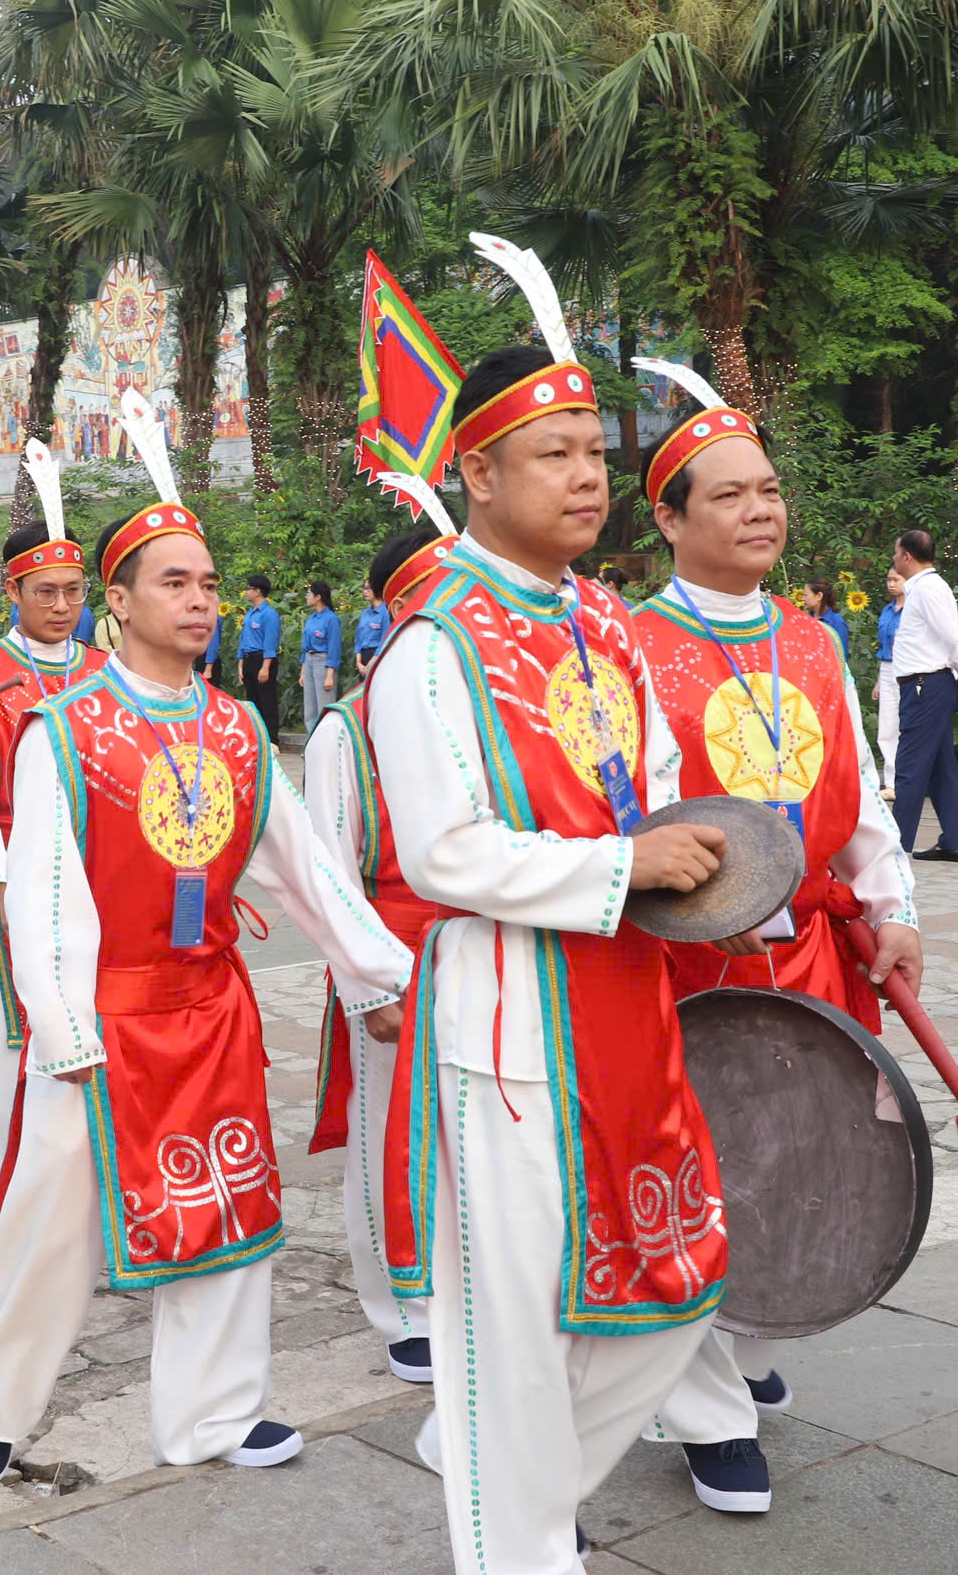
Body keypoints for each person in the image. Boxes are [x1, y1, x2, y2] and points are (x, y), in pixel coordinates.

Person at [0, 398, 413, 1486]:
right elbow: (46, 891)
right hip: (101, 1016)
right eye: (175, 580)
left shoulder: (237, 726)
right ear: (117, 601)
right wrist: (61, 1025)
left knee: (226, 1203)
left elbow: (306, 866)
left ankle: (213, 1410)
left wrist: (380, 972)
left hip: (209, 1006)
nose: (200, 598)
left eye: (209, 581)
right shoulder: (65, 731)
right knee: (55, 1227)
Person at [362, 306, 735, 1571]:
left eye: (595, 449)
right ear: (477, 470)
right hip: (513, 1026)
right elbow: (441, 850)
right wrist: (623, 865)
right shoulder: (432, 642)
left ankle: (498, 1477)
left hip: (628, 1003)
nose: (588, 476)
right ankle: (516, 1538)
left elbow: (664, 776)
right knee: (513, 1333)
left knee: (674, 1286)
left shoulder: (606, 621)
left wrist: (717, 862)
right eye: (555, 452)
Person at [624, 359, 920, 1513]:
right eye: (730, 494)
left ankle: (737, 1336)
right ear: (669, 517)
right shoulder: (631, 641)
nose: (760, 510)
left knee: (798, 1151)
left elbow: (865, 797)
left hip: (809, 953)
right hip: (690, 961)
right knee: (697, 1162)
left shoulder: (813, 639)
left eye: (770, 489)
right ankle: (703, 1406)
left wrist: (893, 909)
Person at [303, 508, 459, 1392]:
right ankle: (400, 1307)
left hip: (487, 954)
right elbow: (329, 879)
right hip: (394, 964)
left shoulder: (489, 717)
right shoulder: (346, 731)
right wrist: (369, 988)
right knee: (389, 1141)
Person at [0, 452, 109, 1224]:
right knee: (21, 1046)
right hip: (15, 883)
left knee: (102, 1027)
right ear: (13, 591)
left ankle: (97, 1195)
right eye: (46, 592)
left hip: (106, 877)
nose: (62, 605)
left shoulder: (109, 671)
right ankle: (12, 1209)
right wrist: (0, 885)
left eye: (74, 591)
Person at [889, 529, 958, 861]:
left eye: (897, 554)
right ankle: (952, 840)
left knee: (910, 766)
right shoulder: (924, 589)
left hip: (924, 686)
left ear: (908, 557)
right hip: (930, 684)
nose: (895, 560)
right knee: (941, 768)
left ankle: (894, 846)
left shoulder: (928, 589)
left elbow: (951, 636)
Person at [235, 574, 281, 738]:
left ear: (258, 592)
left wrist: (265, 667)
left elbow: (270, 642)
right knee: (252, 701)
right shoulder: (249, 613)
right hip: (248, 658)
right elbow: (244, 639)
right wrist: (240, 664)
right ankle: (256, 737)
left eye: (249, 589)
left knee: (266, 700)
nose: (246, 592)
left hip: (262, 660)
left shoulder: (269, 614)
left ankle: (272, 739)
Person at [874, 571, 902, 802]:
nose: (891, 584)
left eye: (896, 580)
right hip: (887, 667)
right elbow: (884, 647)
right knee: (887, 728)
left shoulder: (914, 610)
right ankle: (891, 783)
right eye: (889, 580)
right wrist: (878, 681)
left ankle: (909, 780)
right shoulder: (887, 610)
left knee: (908, 727)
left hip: (909, 669)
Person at [298, 580, 342, 731]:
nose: (307, 597)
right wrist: (303, 671)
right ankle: (311, 744)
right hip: (309, 661)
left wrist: (330, 675)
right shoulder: (311, 619)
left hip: (322, 662)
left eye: (309, 594)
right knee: (309, 708)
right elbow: (305, 647)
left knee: (324, 706)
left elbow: (334, 649)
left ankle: (326, 744)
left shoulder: (331, 619)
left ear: (318, 597)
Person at [801, 578, 850, 658]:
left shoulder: (836, 622)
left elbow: (842, 656)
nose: (803, 599)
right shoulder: (807, 619)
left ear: (819, 596)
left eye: (806, 595)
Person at [353, 579, 391, 679]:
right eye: (364, 588)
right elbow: (358, 639)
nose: (365, 591)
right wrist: (358, 662)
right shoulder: (365, 613)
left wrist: (372, 662)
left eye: (368, 588)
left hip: (377, 657)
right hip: (362, 657)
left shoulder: (386, 612)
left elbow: (385, 640)